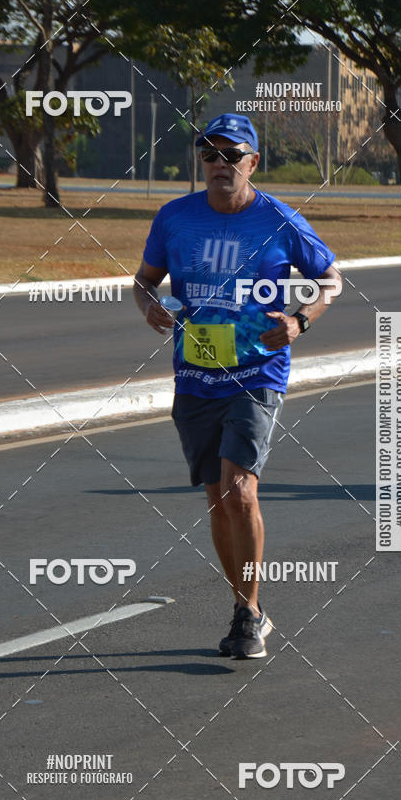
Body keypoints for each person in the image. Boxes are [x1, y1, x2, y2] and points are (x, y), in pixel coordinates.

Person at [134, 113, 342, 659]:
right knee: (215, 497)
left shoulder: (279, 220)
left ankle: (248, 613)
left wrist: (301, 320)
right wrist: (148, 304)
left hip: (257, 371)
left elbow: (331, 279)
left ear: (253, 162)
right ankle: (243, 601)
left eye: (232, 155)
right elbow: (144, 278)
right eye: (210, 155)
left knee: (239, 490)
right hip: (195, 372)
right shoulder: (175, 217)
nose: (220, 164)